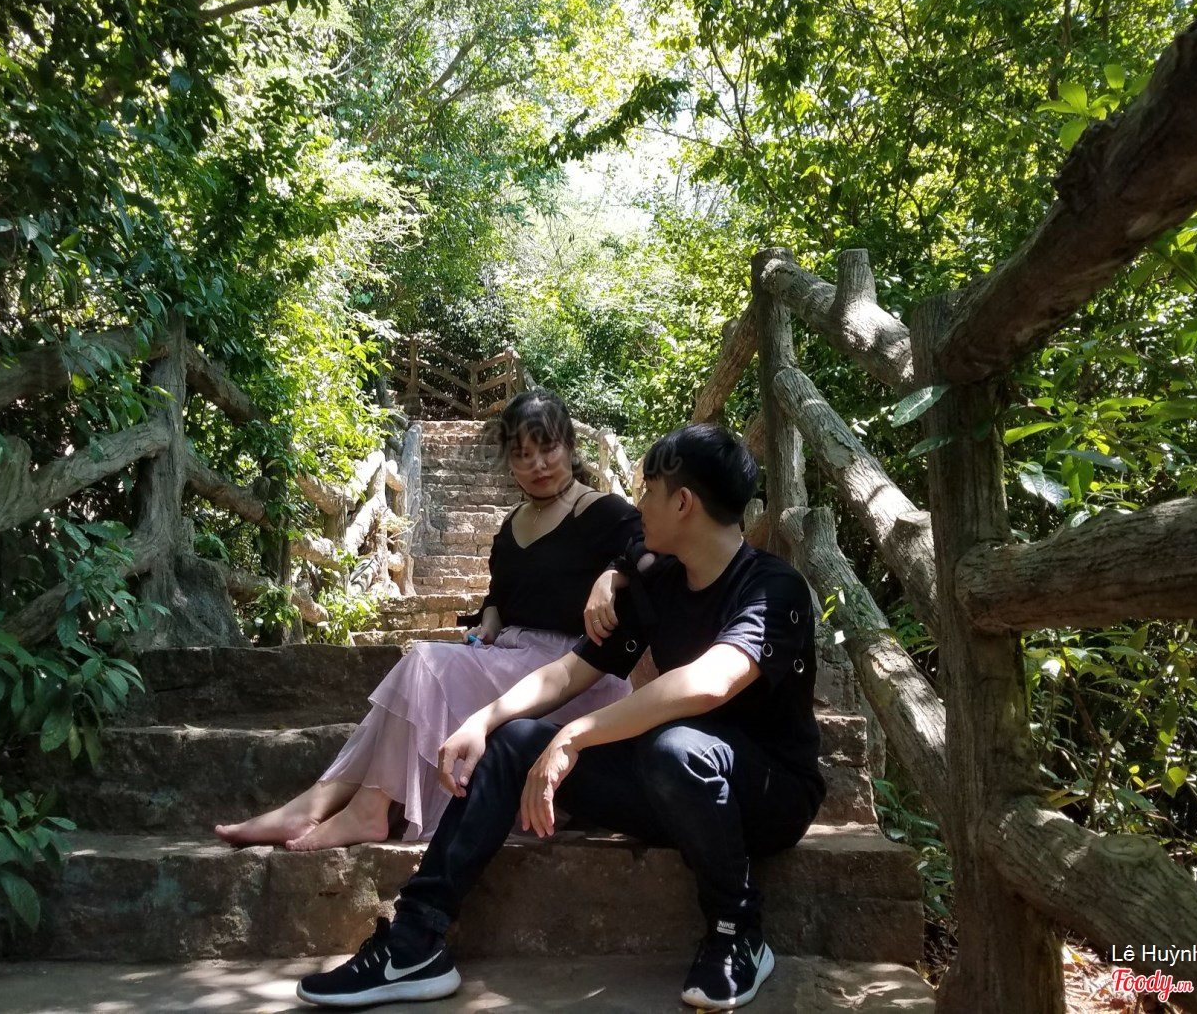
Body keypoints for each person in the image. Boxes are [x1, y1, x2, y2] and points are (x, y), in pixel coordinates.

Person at [294, 424, 824, 1011]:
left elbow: (709, 682)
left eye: (648, 490)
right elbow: (571, 671)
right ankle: (415, 939)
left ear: (682, 502)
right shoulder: (659, 582)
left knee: (674, 747)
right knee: (516, 740)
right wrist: (484, 720)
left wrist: (576, 734)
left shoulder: (774, 588)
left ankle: (737, 930)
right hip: (669, 790)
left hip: (768, 799)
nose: (638, 503)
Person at [214, 389, 639, 852]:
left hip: (574, 673)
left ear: (570, 446)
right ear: (508, 460)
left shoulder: (603, 512)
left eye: (548, 448)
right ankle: (317, 804)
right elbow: (499, 597)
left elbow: (652, 553)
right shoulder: (513, 522)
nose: (537, 464)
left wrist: (613, 575)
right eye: (522, 454)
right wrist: (490, 620)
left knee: (425, 663)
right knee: (419, 674)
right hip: (512, 657)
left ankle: (365, 810)